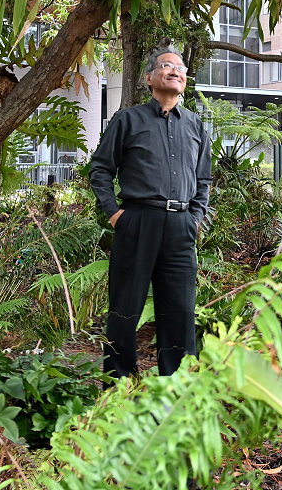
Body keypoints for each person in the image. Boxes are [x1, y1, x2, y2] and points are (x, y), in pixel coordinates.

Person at [89, 47, 212, 379]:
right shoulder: (128, 120)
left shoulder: (196, 126)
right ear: (149, 77)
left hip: (181, 227)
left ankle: (176, 386)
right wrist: (115, 215)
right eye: (167, 65)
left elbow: (203, 178)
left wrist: (196, 217)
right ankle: (118, 384)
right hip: (137, 222)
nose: (176, 71)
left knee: (180, 311)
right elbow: (100, 169)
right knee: (125, 310)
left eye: (181, 67)